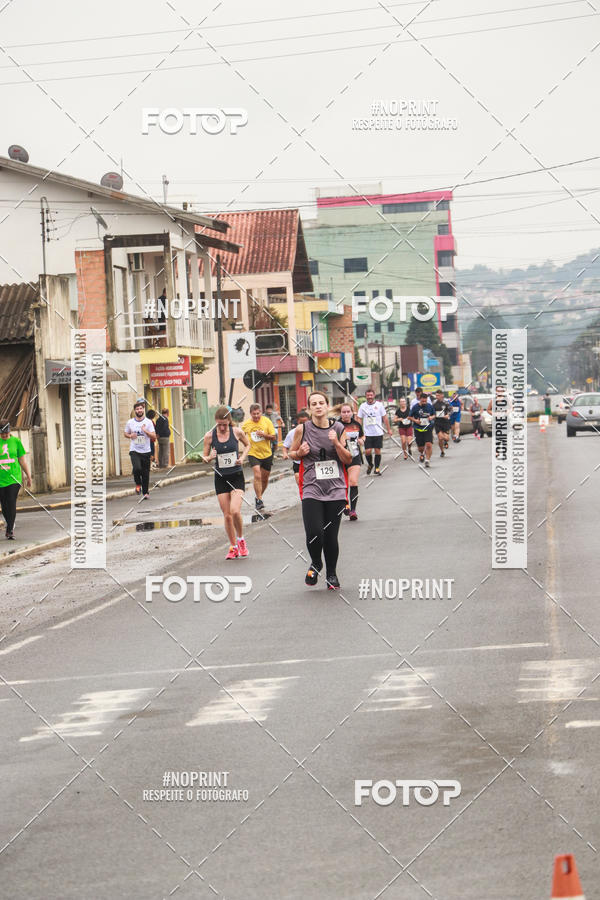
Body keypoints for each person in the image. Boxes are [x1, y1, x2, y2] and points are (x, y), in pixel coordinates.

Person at [289, 391, 352, 589]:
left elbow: (348, 459)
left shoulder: (339, 428)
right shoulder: (302, 429)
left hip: (335, 489)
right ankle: (316, 562)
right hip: (311, 488)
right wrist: (299, 453)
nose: (318, 406)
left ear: (327, 406)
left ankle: (331, 575)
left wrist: (335, 443)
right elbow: (291, 453)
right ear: (309, 408)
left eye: (321, 403)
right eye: (314, 403)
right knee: (315, 532)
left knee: (331, 535)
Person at [202, 406, 250, 559]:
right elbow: (204, 458)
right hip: (220, 478)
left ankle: (241, 540)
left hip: (236, 476)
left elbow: (248, 444)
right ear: (216, 422)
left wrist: (242, 458)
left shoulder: (236, 432)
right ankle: (233, 546)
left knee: (235, 510)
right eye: (219, 424)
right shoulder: (209, 436)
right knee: (227, 515)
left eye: (225, 424)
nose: (222, 427)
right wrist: (210, 457)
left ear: (229, 421)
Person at [241, 403, 277, 510]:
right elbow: (240, 435)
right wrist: (245, 444)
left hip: (266, 453)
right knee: (257, 475)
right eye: (254, 414)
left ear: (261, 412)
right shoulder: (247, 424)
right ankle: (260, 499)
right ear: (250, 414)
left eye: (258, 413)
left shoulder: (267, 421)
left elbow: (273, 437)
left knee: (265, 479)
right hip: (253, 453)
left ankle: (258, 496)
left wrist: (263, 435)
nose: (256, 416)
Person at [0, 422, 32, 540]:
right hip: (1, 479)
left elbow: (22, 461)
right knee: (4, 506)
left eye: (6, 433)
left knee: (11, 501)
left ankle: (9, 531)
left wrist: (28, 476)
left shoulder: (16, 442)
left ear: (9, 431)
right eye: (2, 433)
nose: (4, 435)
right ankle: (10, 523)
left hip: (14, 478)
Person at [124, 398, 156, 498]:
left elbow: (154, 436)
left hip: (146, 451)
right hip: (134, 450)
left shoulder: (148, 422)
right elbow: (125, 433)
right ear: (135, 411)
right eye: (137, 409)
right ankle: (138, 484)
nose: (139, 411)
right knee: (137, 468)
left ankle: (146, 492)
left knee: (145, 473)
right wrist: (130, 436)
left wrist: (145, 431)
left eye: (141, 409)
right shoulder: (130, 422)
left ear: (143, 410)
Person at [337, 403, 364, 520]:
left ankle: (353, 510)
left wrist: (361, 440)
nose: (346, 414)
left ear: (352, 412)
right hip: (340, 457)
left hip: (355, 455)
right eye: (344, 412)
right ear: (340, 413)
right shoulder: (336, 425)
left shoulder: (356, 424)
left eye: (348, 411)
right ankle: (345, 504)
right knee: (343, 484)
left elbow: (363, 436)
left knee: (353, 482)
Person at [357, 389, 392, 475]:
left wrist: (389, 429)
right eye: (368, 395)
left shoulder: (379, 405)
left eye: (371, 395)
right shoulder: (362, 406)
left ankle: (377, 468)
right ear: (366, 396)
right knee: (368, 451)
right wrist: (358, 431)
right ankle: (370, 464)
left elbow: (385, 418)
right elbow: (359, 419)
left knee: (377, 451)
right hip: (367, 433)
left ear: (374, 395)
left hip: (378, 432)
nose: (369, 397)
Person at [282, 409, 309, 487]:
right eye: (301, 423)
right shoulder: (292, 433)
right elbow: (285, 446)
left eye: (305, 423)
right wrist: (284, 454)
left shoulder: (313, 431)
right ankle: (303, 496)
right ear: (297, 422)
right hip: (298, 461)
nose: (303, 425)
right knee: (298, 479)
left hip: (310, 461)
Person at [411, 394, 435, 467]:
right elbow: (409, 417)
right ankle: (422, 453)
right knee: (420, 448)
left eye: (425, 400)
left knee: (429, 444)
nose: (424, 402)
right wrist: (415, 421)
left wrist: (431, 417)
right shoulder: (415, 407)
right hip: (418, 429)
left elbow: (434, 414)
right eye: (423, 400)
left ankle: (427, 460)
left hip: (428, 428)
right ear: (420, 399)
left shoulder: (429, 406)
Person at [432, 389, 452, 457]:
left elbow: (451, 410)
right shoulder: (434, 403)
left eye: (438, 395)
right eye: (436, 395)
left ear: (442, 395)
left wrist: (448, 415)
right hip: (437, 422)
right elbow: (431, 411)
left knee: (446, 438)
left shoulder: (446, 402)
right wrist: (432, 416)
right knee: (440, 438)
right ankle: (442, 451)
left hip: (445, 422)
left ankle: (445, 441)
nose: (437, 397)